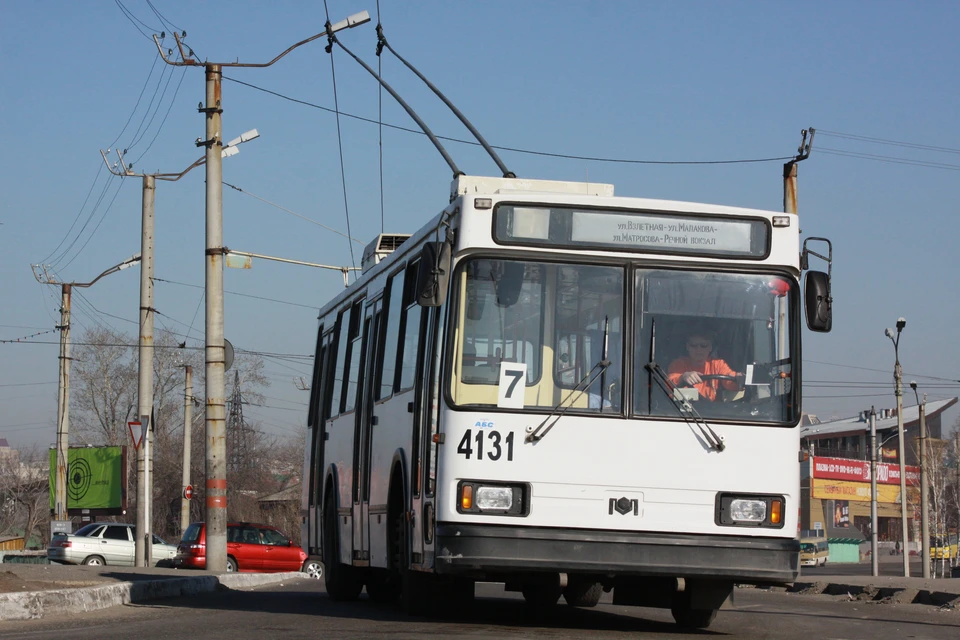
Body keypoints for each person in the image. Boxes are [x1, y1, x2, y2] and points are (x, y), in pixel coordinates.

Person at [667, 329, 741, 401]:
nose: (698, 350)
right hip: (683, 409)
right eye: (693, 345)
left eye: (704, 345)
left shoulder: (718, 364)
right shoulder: (678, 364)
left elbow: (730, 381)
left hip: (711, 411)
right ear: (687, 347)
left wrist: (739, 379)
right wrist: (682, 377)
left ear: (710, 348)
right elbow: (668, 384)